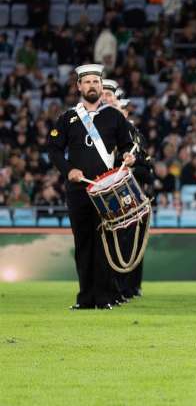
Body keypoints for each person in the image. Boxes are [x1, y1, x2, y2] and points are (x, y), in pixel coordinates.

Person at [48, 64, 137, 310]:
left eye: (95, 82)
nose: (91, 86)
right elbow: (53, 150)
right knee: (84, 244)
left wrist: (129, 156)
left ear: (100, 85)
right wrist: (69, 171)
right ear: (79, 86)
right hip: (78, 191)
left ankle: (105, 297)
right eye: (86, 82)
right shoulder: (68, 118)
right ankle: (85, 298)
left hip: (108, 192)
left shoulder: (114, 116)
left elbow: (128, 144)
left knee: (106, 244)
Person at [101, 79, 153, 301]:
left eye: (111, 97)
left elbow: (146, 169)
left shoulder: (132, 132)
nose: (108, 99)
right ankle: (109, 290)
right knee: (107, 245)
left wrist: (132, 164)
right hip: (102, 195)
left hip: (128, 197)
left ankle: (125, 288)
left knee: (128, 244)